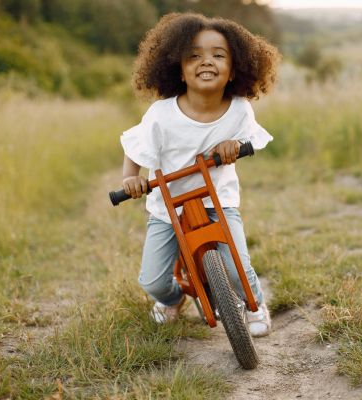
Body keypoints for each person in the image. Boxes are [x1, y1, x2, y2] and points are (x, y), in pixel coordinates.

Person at [119, 13, 280, 337]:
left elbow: (251, 138)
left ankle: (254, 304)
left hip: (218, 200)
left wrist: (234, 144)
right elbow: (135, 146)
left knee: (236, 265)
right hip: (167, 207)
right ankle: (174, 299)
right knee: (152, 280)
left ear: (235, 68)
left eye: (218, 55)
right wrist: (130, 178)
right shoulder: (161, 114)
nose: (206, 62)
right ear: (177, 67)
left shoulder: (238, 109)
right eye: (194, 55)